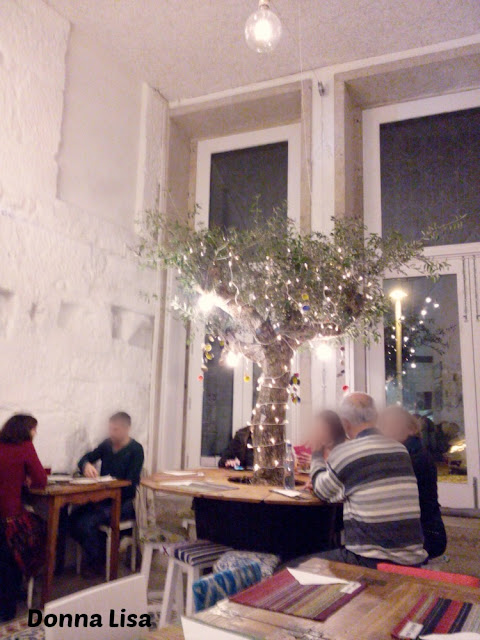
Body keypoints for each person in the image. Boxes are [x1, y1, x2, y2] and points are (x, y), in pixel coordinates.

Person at [301, 393, 428, 568]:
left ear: (345, 423)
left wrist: (316, 452)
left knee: (290, 568)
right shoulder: (400, 449)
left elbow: (322, 490)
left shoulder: (347, 452)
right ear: (376, 417)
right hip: (411, 561)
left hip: (370, 561)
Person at [69, 412, 144, 575]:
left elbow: (130, 485)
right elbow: (85, 458)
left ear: (126, 429)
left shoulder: (136, 450)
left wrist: (108, 487)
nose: (111, 433)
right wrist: (86, 465)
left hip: (124, 502)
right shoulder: (107, 445)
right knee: (71, 519)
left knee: (87, 523)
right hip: (103, 499)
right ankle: (100, 553)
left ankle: (98, 562)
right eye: (110, 429)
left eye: (115, 430)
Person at [379, 406, 447, 559]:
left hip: (423, 536)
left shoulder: (411, 457)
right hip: (427, 531)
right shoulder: (410, 452)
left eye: (393, 426)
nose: (387, 432)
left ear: (411, 429)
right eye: (384, 427)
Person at [0, 414, 47, 622]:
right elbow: (41, 479)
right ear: (26, 430)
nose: (36, 433)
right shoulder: (25, 446)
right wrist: (27, 479)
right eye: (34, 429)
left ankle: (17, 587)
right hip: (9, 518)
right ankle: (24, 587)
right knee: (41, 529)